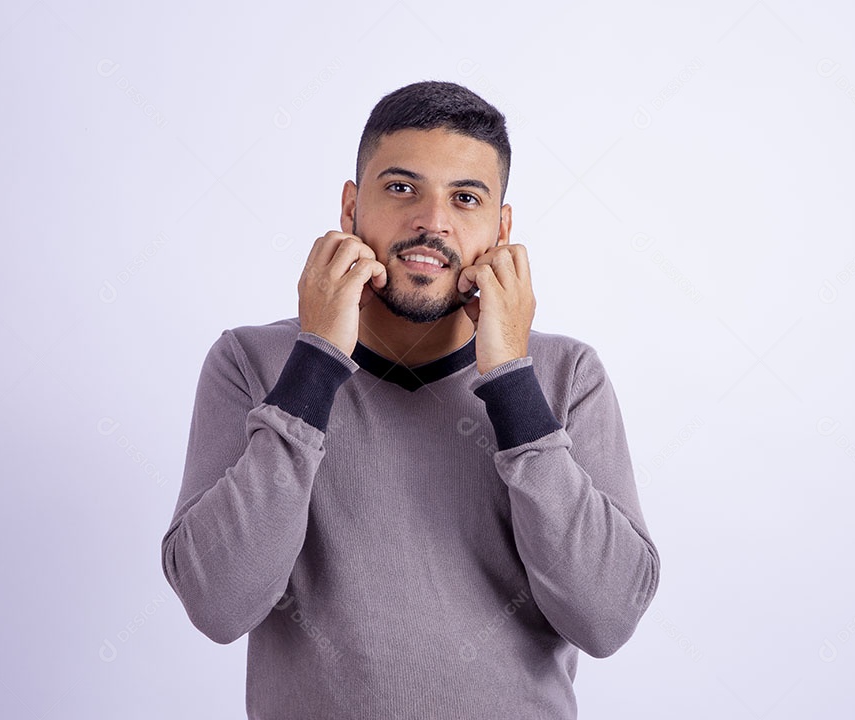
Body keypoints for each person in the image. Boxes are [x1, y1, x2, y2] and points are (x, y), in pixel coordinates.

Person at [161, 80, 660, 719]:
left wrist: (512, 381)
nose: (432, 221)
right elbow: (218, 603)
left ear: (502, 227)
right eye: (401, 188)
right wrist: (315, 362)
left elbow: (607, 618)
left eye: (466, 198)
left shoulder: (566, 376)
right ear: (351, 208)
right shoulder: (252, 363)